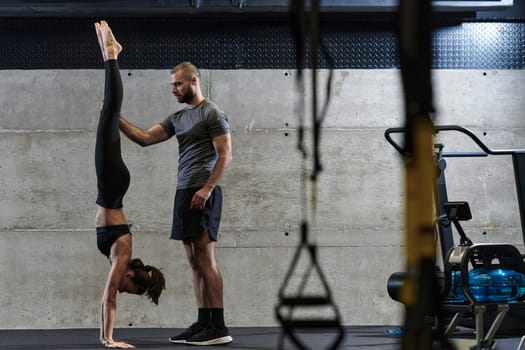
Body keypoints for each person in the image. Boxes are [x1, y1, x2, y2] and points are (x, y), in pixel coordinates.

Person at [118, 60, 233, 345]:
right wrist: (114, 117)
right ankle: (203, 321)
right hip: (184, 191)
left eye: (178, 84)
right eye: (172, 84)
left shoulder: (212, 113)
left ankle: (218, 326)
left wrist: (207, 189)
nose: (173, 89)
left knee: (206, 259)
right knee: (194, 262)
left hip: (202, 191)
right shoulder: (178, 118)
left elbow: (226, 155)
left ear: (194, 81)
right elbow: (144, 138)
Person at [94, 20, 165, 349]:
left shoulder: (121, 258)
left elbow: (112, 293)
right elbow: (109, 297)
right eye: (130, 288)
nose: (123, 290)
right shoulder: (122, 255)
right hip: (111, 186)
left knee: (108, 114)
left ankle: (110, 53)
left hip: (111, 188)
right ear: (130, 276)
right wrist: (109, 340)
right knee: (110, 112)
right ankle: (111, 55)